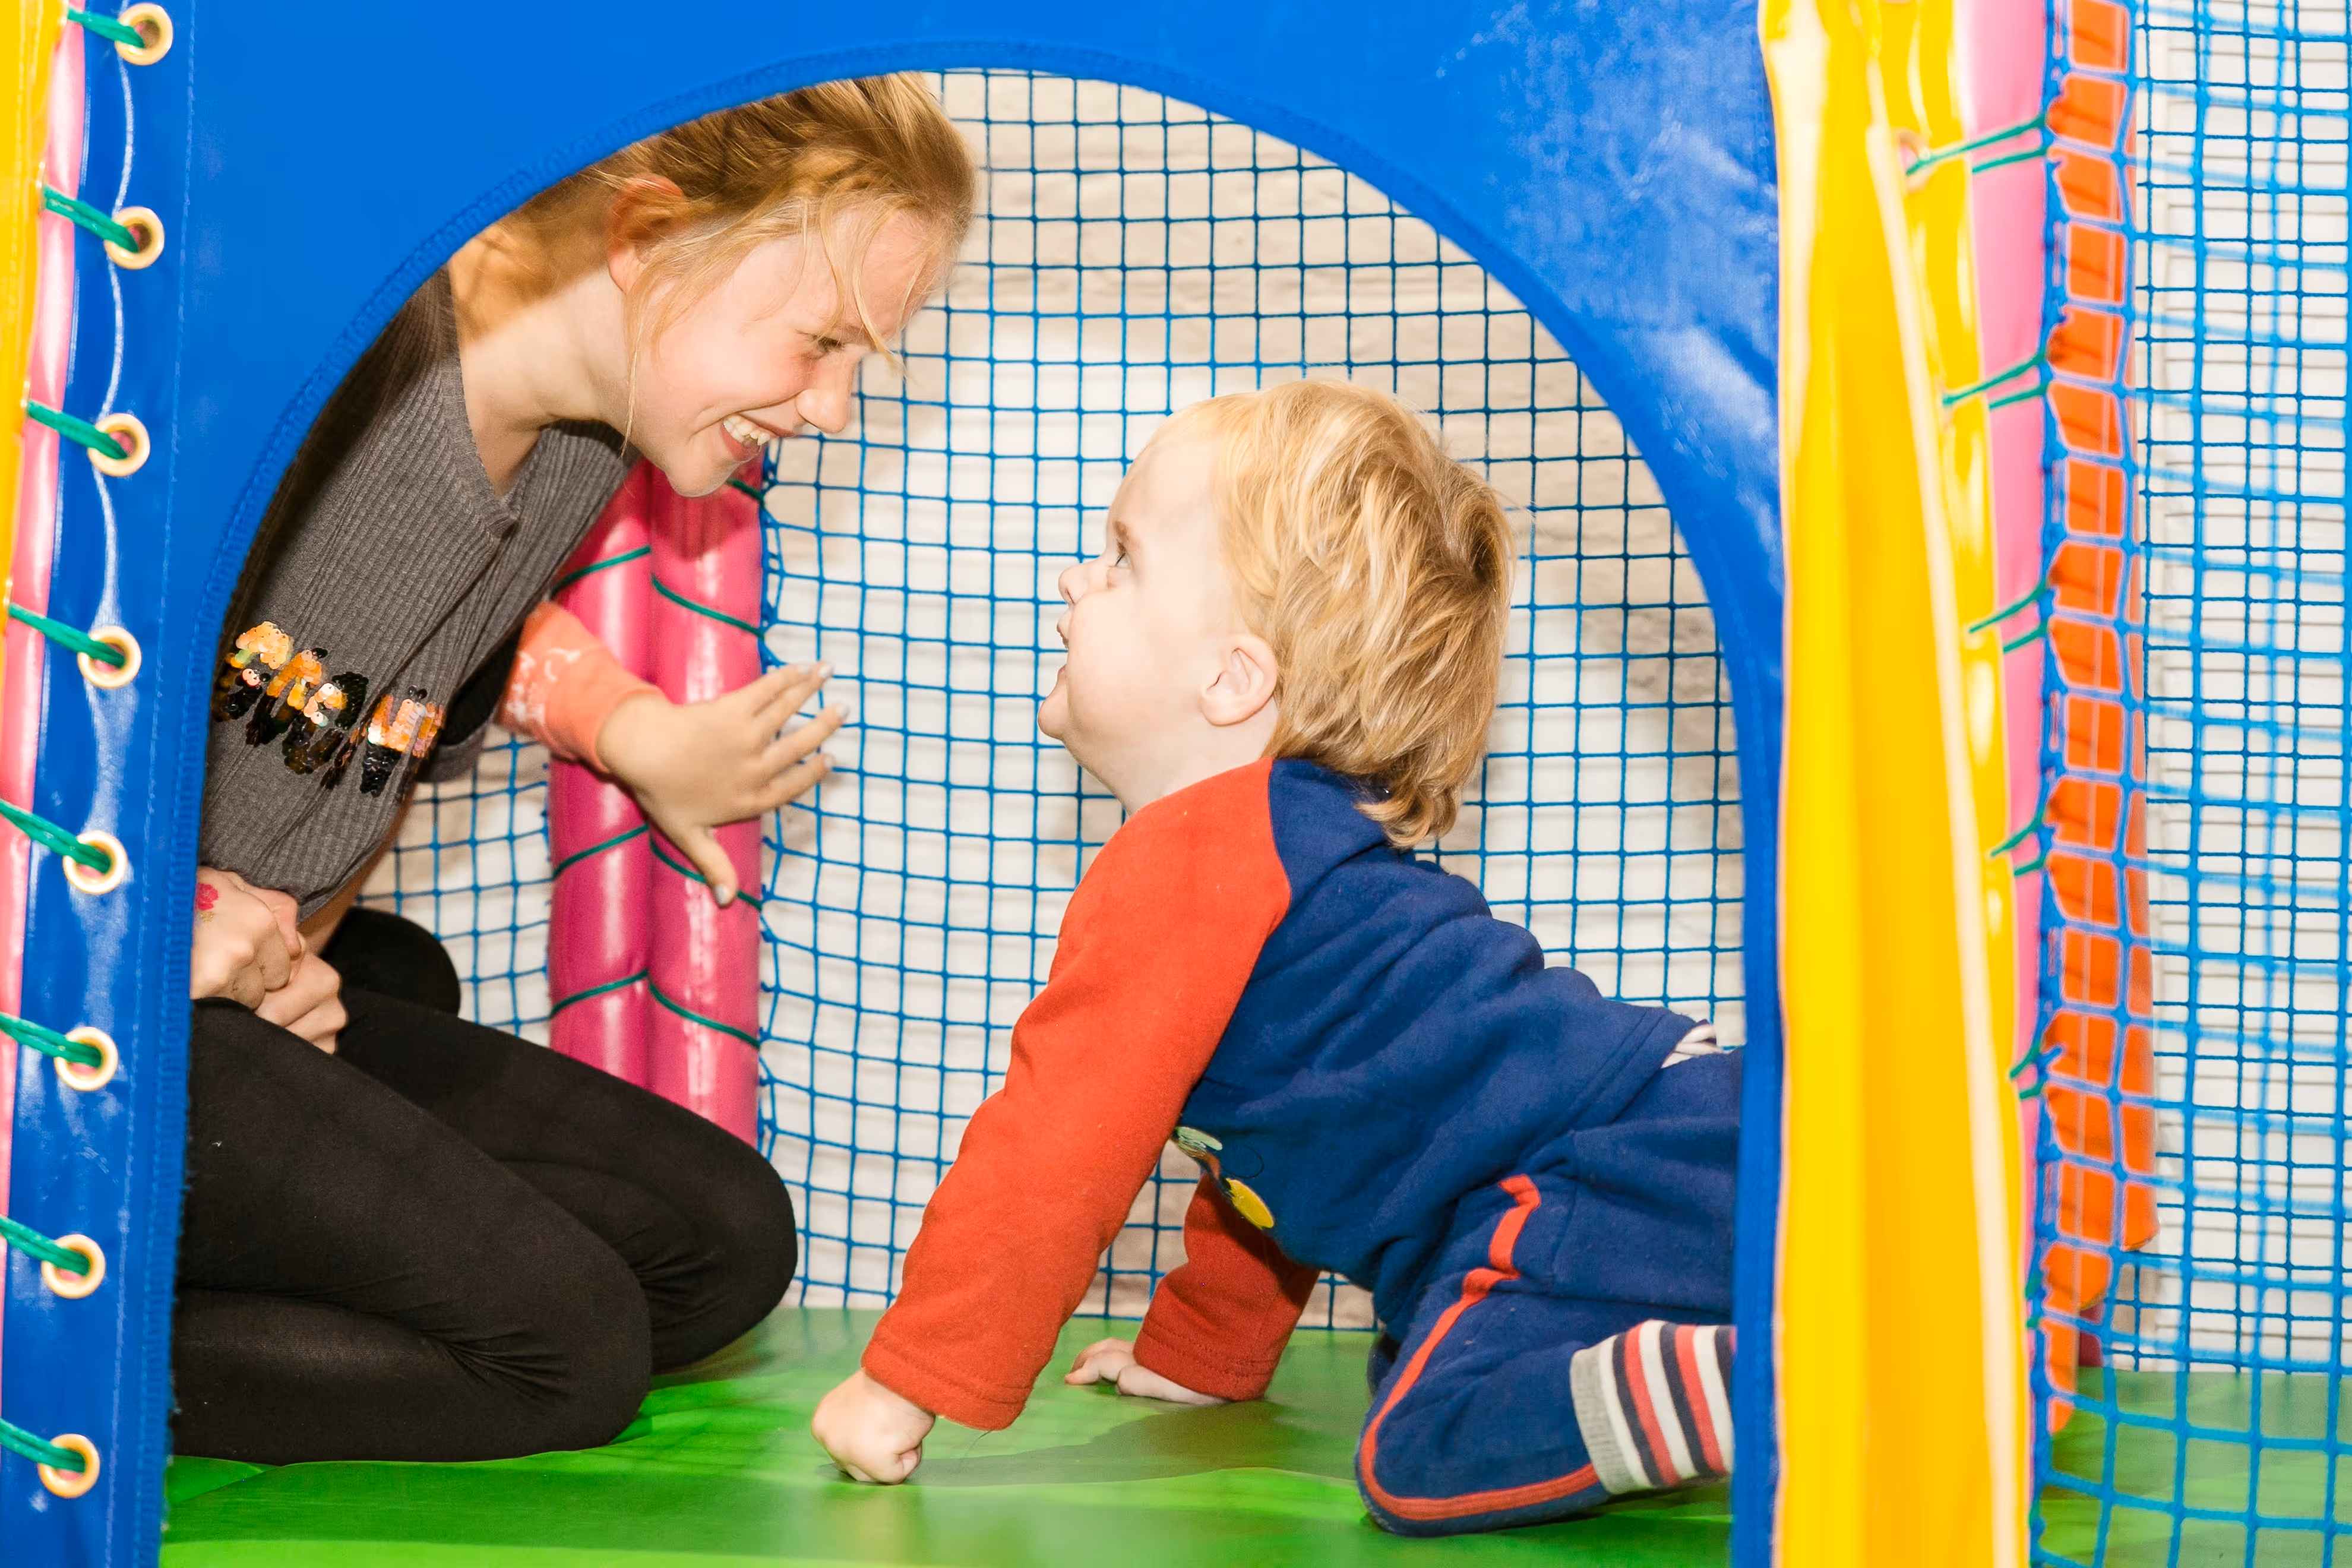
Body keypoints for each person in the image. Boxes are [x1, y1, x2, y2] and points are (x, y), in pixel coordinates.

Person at [181, 76, 976, 1465]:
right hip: (86, 1011)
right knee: (567, 1352)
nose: (837, 408)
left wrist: (291, 947)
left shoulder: (573, 460)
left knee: (724, 1243)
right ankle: (61, 1339)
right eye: (819, 343)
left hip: (253, 1005)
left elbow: (390, 721)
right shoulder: (333, 365)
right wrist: (176, 935)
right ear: (645, 236)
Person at [808, 380, 1739, 1536]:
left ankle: (1755, 1385)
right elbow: (1275, 1143)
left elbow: (1060, 1145)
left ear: (1234, 678)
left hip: (1611, 1177)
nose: (1075, 582)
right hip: (1683, 1148)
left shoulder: (1191, 862)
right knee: (1432, 1365)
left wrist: (909, 1383)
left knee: (1427, 1447)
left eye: (1122, 557)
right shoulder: (1278, 852)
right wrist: (1202, 1353)